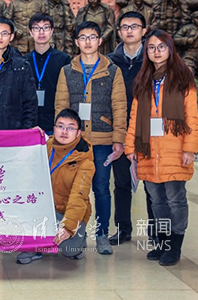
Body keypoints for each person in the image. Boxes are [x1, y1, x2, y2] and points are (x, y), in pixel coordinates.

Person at [125, 30, 198, 266]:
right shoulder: (143, 79)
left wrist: (189, 148)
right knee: (157, 201)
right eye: (151, 48)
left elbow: (191, 116)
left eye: (161, 47)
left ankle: (175, 245)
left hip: (174, 150)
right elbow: (134, 117)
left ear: (170, 49)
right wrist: (130, 147)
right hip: (148, 150)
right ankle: (163, 242)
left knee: (175, 200)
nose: (156, 52)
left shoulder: (183, 77)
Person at [55, 21, 127, 255]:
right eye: (83, 37)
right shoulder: (67, 70)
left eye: (92, 37)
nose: (88, 42)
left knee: (101, 189)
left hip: (103, 141)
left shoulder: (112, 70)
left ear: (100, 40)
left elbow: (119, 105)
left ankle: (102, 234)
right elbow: (61, 106)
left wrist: (119, 138)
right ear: (77, 42)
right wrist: (62, 137)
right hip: (75, 143)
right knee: (76, 190)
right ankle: (79, 234)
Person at [16, 109, 94, 264]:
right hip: (42, 209)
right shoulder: (45, 145)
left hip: (65, 211)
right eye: (60, 126)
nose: (64, 131)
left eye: (70, 128)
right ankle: (35, 247)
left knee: (69, 249)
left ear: (78, 133)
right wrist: (30, 137)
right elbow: (21, 159)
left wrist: (68, 228)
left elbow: (78, 198)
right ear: (54, 128)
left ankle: (79, 238)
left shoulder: (85, 162)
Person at [107, 11, 155, 245]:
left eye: (134, 26)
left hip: (148, 129)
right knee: (122, 183)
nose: (129, 31)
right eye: (125, 27)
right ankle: (123, 228)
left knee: (152, 183)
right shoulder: (110, 61)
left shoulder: (153, 59)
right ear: (119, 32)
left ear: (144, 31)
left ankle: (155, 231)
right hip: (121, 129)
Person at [25, 13, 71, 134]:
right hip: (30, 124)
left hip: (55, 123)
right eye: (36, 28)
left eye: (45, 27)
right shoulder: (24, 61)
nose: (41, 32)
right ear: (30, 32)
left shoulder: (63, 59)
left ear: (51, 31)